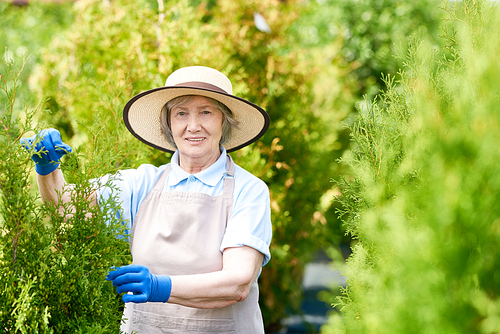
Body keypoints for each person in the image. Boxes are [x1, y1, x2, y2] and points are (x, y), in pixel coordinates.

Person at [21, 66, 272, 333]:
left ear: (224, 121)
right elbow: (67, 209)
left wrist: (158, 286)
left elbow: (237, 284)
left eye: (206, 112)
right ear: (169, 123)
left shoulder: (249, 190)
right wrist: (48, 169)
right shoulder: (141, 184)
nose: (193, 125)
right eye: (181, 113)